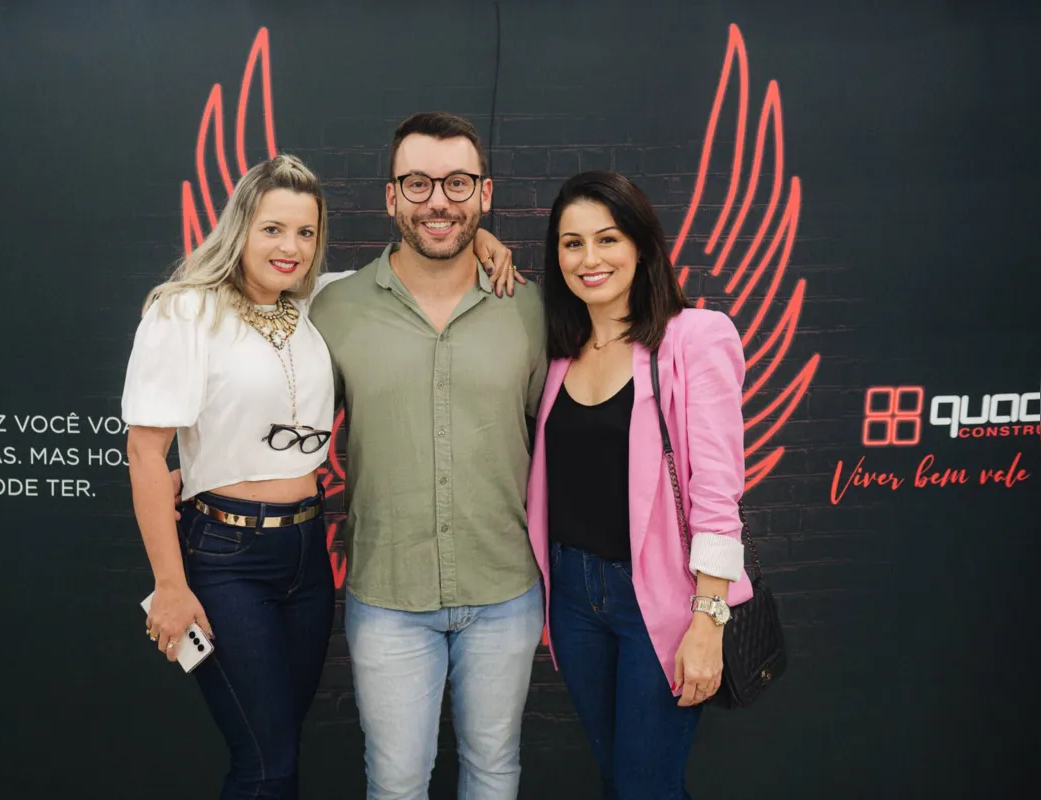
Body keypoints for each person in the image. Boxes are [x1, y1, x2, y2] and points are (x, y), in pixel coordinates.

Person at [126, 152, 517, 799]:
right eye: (273, 228)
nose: (291, 247)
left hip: (305, 556)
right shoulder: (185, 313)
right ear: (240, 228)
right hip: (224, 557)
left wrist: (480, 237)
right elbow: (146, 456)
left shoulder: (318, 300)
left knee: (279, 742)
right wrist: (170, 587)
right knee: (263, 761)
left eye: (305, 233)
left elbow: (418, 259)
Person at [308, 112, 548, 800]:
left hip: (505, 591)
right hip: (386, 595)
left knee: (494, 771)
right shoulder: (336, 309)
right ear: (389, 197)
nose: (437, 201)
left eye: (456, 183)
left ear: (485, 193)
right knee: (395, 783)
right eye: (416, 183)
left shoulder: (530, 311)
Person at [524, 170, 754, 799]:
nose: (589, 259)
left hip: (663, 601)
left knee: (644, 787)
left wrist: (708, 622)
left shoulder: (695, 338)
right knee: (616, 776)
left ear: (642, 246)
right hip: (572, 597)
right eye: (572, 244)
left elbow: (716, 495)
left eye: (608, 239)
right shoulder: (559, 350)